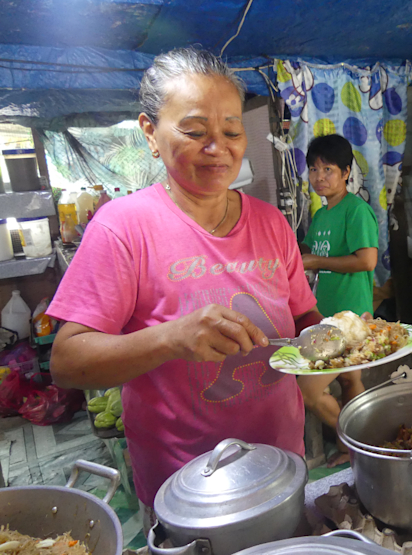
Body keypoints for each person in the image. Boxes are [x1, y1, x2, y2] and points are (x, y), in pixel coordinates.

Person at [46, 47, 322, 531]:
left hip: (282, 465)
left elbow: (304, 320)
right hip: (187, 487)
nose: (218, 148)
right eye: (195, 132)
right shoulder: (122, 228)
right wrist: (171, 338)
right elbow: (68, 363)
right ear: (149, 133)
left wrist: (340, 343)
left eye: (232, 131)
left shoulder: (270, 223)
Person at [299, 134, 379, 466]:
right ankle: (353, 450)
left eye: (328, 169)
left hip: (351, 317)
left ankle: (358, 446)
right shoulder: (320, 216)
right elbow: (309, 252)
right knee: (350, 378)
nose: (320, 177)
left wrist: (316, 262)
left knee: (309, 391)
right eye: (314, 170)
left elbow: (367, 261)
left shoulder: (356, 210)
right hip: (329, 315)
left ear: (347, 172)